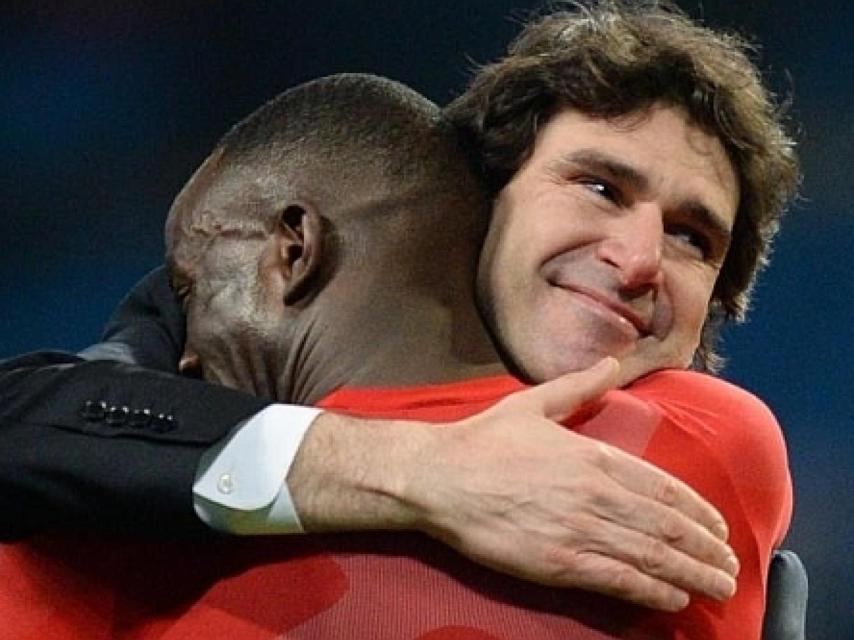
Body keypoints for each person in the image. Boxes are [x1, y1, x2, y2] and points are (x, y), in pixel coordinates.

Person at [0, 0, 797, 626]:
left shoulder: (705, 437)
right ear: (481, 205)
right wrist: (417, 470)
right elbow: (38, 419)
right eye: (599, 188)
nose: (641, 258)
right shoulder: (218, 320)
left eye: (692, 238)